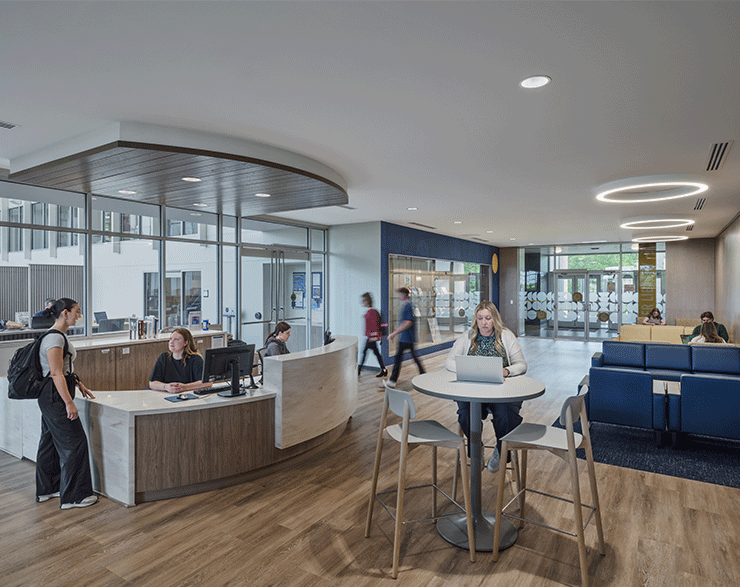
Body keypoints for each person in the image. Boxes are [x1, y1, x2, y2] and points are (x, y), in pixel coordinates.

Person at [445, 300, 527, 473]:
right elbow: (449, 362)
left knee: (506, 414)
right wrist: (467, 369)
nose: (483, 322)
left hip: (502, 391)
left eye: (488, 318)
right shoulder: (467, 336)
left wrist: (506, 371)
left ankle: (501, 449)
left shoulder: (506, 335)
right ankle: (476, 448)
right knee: (465, 413)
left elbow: (521, 365)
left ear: (494, 319)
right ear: (476, 319)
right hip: (473, 391)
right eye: (480, 318)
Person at [35, 298, 98, 509]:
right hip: (55, 396)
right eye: (77, 312)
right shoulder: (54, 338)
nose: (79, 316)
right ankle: (74, 497)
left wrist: (79, 384)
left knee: (49, 442)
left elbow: (64, 368)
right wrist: (69, 403)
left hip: (52, 395)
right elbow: (55, 372)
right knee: (75, 442)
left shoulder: (59, 336)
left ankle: (48, 489)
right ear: (64, 312)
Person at [149, 328, 212, 393]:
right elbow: (152, 383)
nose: (171, 342)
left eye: (176, 339)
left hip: (188, 396)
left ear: (185, 343)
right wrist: (166, 387)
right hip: (166, 395)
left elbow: (207, 383)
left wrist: (184, 387)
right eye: (170, 339)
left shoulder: (195, 359)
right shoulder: (164, 358)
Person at [387, 287, 424, 387]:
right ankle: (423, 375)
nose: (397, 296)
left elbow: (408, 322)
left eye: (399, 294)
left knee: (398, 358)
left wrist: (394, 333)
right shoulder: (406, 305)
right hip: (407, 338)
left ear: (403, 294)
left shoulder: (408, 306)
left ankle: (392, 380)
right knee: (413, 358)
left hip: (406, 338)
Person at [358, 292, 387, 378]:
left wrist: (373, 337)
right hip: (371, 337)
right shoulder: (371, 311)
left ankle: (359, 370)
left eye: (364, 300)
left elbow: (374, 326)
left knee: (365, 352)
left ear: (367, 301)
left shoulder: (372, 312)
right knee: (375, 353)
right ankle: (384, 369)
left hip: (371, 337)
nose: (362, 302)